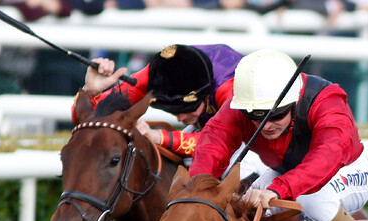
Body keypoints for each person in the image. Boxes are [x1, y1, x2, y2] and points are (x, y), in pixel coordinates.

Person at [189, 49, 368, 221]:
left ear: (294, 101)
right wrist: (198, 188)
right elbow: (213, 142)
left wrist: (279, 190)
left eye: (276, 115)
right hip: (288, 173)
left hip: (346, 171)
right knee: (244, 207)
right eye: (254, 116)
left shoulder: (326, 100)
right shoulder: (239, 105)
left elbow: (326, 158)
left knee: (313, 199)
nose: (265, 125)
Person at [73, 44, 243, 158]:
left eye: (187, 108)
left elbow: (223, 143)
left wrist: (156, 136)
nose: (180, 118)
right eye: (174, 111)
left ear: (206, 92)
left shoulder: (229, 87)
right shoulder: (155, 76)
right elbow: (88, 119)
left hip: (254, 134)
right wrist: (91, 91)